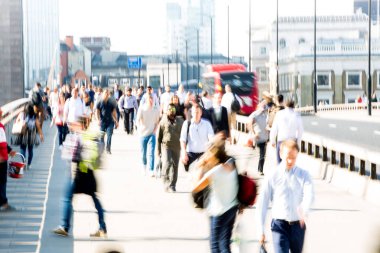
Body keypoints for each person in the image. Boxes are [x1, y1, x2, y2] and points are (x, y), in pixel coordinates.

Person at [257, 140, 314, 253]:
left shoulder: (303, 175)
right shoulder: (273, 175)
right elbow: (262, 203)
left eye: (293, 157)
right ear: (281, 154)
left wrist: (304, 208)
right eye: (288, 156)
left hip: (298, 225)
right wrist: (261, 230)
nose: (290, 160)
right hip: (279, 225)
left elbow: (309, 194)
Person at [53, 118, 107, 238]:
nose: (72, 125)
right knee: (95, 200)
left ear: (81, 125)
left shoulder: (77, 137)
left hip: (77, 174)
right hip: (89, 173)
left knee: (67, 198)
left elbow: (68, 156)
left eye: (74, 124)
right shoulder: (92, 137)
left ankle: (64, 227)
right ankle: (102, 228)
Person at [192, 135, 239, 253]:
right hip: (232, 208)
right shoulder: (231, 163)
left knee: (215, 245)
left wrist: (202, 166)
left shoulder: (215, 171)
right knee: (224, 244)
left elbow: (196, 187)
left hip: (218, 211)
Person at [180, 102, 215, 171]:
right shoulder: (186, 123)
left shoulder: (207, 124)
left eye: (197, 112)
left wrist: (211, 151)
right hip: (191, 155)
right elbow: (182, 139)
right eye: (194, 112)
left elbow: (211, 138)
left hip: (204, 154)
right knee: (191, 178)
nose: (196, 114)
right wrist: (183, 152)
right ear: (192, 113)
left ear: (201, 113)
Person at [157, 104, 184, 192]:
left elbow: (184, 134)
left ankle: (173, 185)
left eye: (173, 109)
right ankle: (166, 182)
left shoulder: (180, 120)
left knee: (175, 166)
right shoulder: (163, 121)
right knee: (167, 163)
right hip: (166, 146)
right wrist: (158, 150)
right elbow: (159, 137)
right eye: (169, 109)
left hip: (177, 146)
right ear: (166, 111)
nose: (171, 111)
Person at [270, 99, 303, 164]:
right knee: (290, 163)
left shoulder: (279, 114)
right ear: (293, 105)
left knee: (280, 164)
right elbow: (300, 131)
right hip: (292, 142)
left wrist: (272, 140)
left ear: (285, 105)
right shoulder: (297, 115)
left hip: (281, 141)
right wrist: (298, 144)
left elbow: (274, 128)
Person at [13, 103, 44, 170]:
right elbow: (38, 127)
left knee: (22, 148)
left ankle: (23, 162)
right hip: (31, 134)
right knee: (30, 150)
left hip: (23, 134)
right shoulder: (34, 116)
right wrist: (41, 135)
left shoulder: (21, 114)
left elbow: (16, 122)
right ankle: (29, 164)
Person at [136, 93, 160, 176]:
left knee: (151, 152)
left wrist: (154, 131)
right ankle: (144, 167)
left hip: (152, 134)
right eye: (149, 99)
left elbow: (157, 122)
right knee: (143, 153)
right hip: (143, 134)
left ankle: (151, 170)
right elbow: (137, 121)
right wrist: (139, 128)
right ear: (146, 100)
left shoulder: (156, 110)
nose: (151, 101)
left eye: (152, 99)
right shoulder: (142, 109)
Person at [0, 107, 17, 211]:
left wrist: (10, 150)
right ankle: (4, 203)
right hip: (1, 158)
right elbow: (2, 143)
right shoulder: (0, 127)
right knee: (2, 181)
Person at [248, 101, 269, 175]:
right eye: (263, 106)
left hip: (264, 138)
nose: (264, 108)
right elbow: (249, 124)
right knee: (258, 154)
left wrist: (268, 130)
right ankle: (256, 170)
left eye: (265, 107)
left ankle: (260, 169)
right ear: (259, 106)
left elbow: (267, 124)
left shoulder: (265, 115)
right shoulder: (255, 115)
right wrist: (254, 133)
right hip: (257, 138)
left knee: (262, 155)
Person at [96, 89, 118, 154]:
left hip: (110, 122)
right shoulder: (99, 102)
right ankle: (102, 148)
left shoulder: (111, 102)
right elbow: (97, 112)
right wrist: (98, 120)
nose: (107, 94)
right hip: (102, 121)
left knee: (109, 135)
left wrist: (116, 121)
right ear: (103, 94)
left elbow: (114, 112)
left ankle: (108, 149)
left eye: (108, 94)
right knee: (102, 136)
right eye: (105, 93)